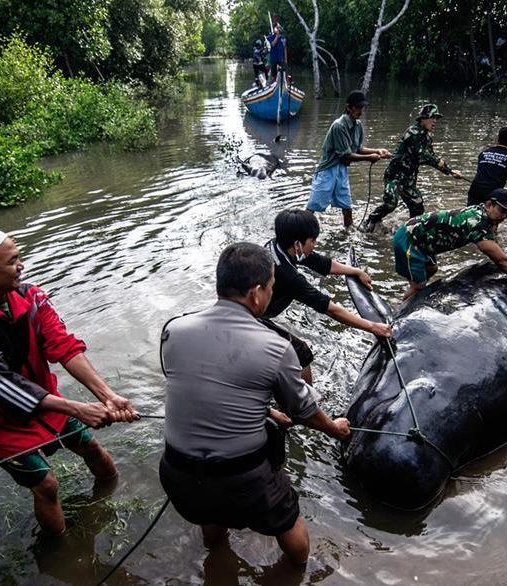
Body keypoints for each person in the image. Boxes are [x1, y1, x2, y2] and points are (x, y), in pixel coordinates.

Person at [0, 223, 139, 536]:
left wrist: (107, 396)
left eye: (20, 257)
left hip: (49, 401)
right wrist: (76, 408)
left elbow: (64, 346)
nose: (22, 266)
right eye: (12, 261)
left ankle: (111, 502)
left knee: (92, 448)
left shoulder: (31, 296)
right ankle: (60, 551)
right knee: (46, 485)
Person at [159, 242, 351, 565]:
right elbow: (303, 411)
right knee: (298, 546)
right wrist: (335, 428)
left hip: (178, 474)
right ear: (256, 293)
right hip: (244, 479)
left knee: (212, 525)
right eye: (272, 288)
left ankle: (219, 564)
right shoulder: (275, 347)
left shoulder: (173, 330)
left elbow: (206, 391)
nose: (272, 294)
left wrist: (264, 411)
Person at [264, 210, 392, 383]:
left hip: (244, 308)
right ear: (297, 244)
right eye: (312, 240)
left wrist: (356, 271)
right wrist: (372, 327)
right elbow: (329, 308)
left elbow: (320, 263)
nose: (315, 244)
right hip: (252, 318)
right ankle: (306, 404)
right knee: (301, 354)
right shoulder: (288, 276)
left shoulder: (278, 246)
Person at [393, 188, 507, 301]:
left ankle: (415, 291)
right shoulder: (477, 222)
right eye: (502, 211)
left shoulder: (485, 215)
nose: (504, 216)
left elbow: (499, 253)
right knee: (418, 286)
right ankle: (400, 311)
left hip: (424, 240)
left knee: (432, 269)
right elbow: (501, 260)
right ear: (489, 204)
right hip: (409, 239)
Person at [361, 104, 465, 233]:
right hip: (395, 176)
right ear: (423, 118)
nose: (435, 121)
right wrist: (440, 163)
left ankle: (410, 231)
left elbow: (432, 156)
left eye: (436, 118)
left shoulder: (427, 137)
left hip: (408, 180)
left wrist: (450, 171)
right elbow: (422, 155)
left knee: (418, 208)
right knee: (390, 204)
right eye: (433, 117)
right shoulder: (412, 133)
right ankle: (372, 219)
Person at [306, 90, 391, 229]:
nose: (361, 111)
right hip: (327, 170)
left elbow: (358, 149)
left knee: (347, 206)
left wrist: (378, 150)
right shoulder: (339, 126)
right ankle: (300, 230)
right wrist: (370, 158)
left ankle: (349, 233)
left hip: (341, 169)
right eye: (358, 107)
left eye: (362, 107)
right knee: (313, 206)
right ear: (349, 107)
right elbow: (346, 155)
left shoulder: (357, 126)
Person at [467, 126, 507, 213]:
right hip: (493, 195)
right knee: (490, 222)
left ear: (498, 137)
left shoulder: (484, 153)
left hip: (475, 190)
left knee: (470, 216)